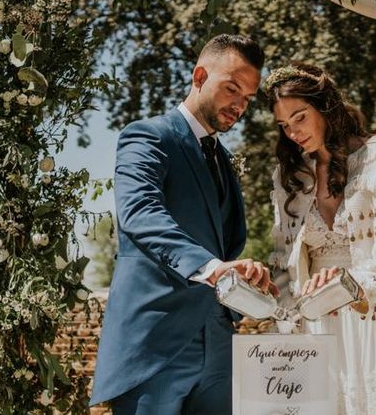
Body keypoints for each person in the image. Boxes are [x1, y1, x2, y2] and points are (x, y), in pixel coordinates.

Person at [90, 34, 278, 415]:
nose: (239, 105)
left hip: (218, 341)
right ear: (199, 75)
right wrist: (210, 268)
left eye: (247, 98)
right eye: (231, 89)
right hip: (157, 343)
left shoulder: (222, 158)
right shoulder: (148, 137)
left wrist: (243, 274)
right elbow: (139, 211)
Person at [265, 62, 376, 414]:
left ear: (325, 106)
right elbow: (284, 258)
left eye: (300, 117)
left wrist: (358, 285)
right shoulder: (289, 177)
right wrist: (280, 322)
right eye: (284, 126)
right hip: (317, 323)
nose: (293, 133)